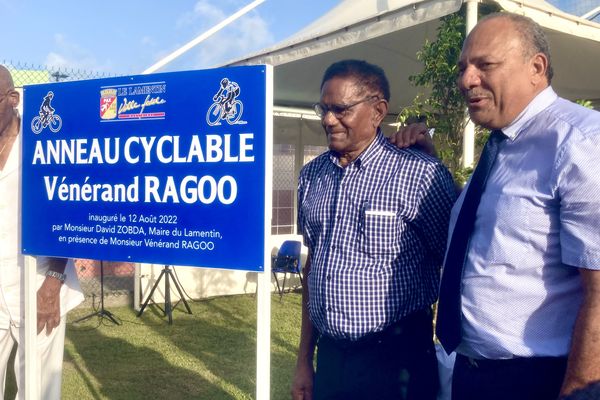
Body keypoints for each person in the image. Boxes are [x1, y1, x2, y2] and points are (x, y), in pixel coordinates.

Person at [392, 12, 600, 400]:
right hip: (473, 373)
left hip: (538, 380)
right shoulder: (503, 144)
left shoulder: (580, 143)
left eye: (485, 65)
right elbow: (494, 226)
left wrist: (577, 392)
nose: (465, 80)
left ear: (536, 68)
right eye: (463, 68)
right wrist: (432, 162)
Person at [291, 59, 457, 400]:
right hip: (332, 357)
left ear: (378, 111)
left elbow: (456, 264)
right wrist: (304, 360)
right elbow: (312, 268)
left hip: (398, 361)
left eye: (340, 109)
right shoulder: (312, 177)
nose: (327, 119)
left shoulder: (419, 174)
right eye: (323, 108)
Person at [0, 65, 84, 399]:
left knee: (38, 391)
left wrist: (52, 286)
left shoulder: (44, 144)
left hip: (38, 286)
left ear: (12, 98)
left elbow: (69, 212)